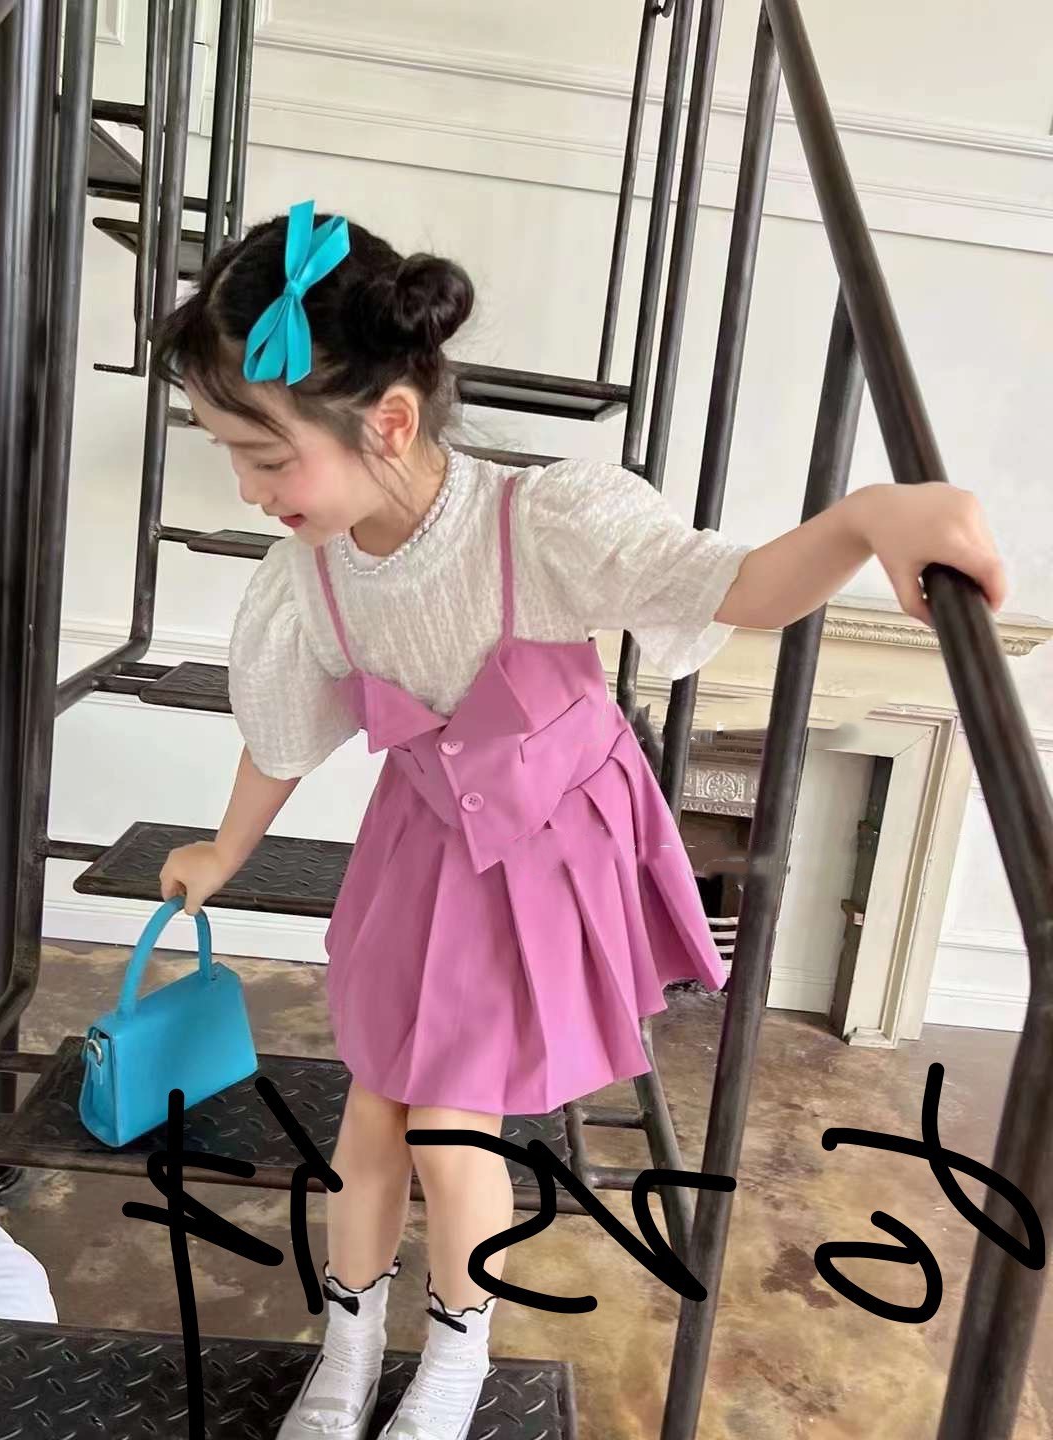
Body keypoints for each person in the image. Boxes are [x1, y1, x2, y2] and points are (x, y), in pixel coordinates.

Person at [153, 201, 1005, 1440]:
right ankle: (349, 1342)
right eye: (230, 455)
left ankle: (456, 1354)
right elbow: (284, 731)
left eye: (268, 457)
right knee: (371, 1113)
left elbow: (740, 587)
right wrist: (227, 846)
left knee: (450, 1126)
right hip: (425, 846)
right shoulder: (311, 576)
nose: (247, 488)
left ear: (389, 423)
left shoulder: (538, 523)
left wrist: (868, 516)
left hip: (545, 847)